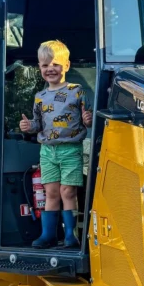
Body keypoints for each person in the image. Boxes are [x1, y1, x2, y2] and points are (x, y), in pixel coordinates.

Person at [20, 40, 93, 249]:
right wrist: (27, 126)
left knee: (67, 192)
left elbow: (87, 118)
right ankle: (48, 235)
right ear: (40, 68)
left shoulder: (76, 91)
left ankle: (71, 235)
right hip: (48, 151)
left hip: (70, 149)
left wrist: (88, 120)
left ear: (66, 66)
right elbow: (37, 124)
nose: (50, 68)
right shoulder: (40, 97)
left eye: (55, 64)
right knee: (50, 193)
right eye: (45, 65)